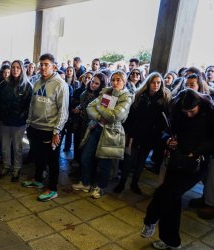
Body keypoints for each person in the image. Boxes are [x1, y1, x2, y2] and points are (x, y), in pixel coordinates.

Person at [141, 89, 214, 250]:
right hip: (177, 160)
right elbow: (166, 131)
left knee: (165, 193)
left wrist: (197, 151)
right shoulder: (178, 112)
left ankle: (150, 220)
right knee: (172, 200)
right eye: (185, 111)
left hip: (196, 165)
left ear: (199, 104)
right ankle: (171, 241)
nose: (189, 114)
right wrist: (168, 139)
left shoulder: (210, 113)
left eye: (192, 111)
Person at [72, 71, 133, 199]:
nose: (115, 82)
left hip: (111, 133)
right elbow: (89, 107)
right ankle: (85, 182)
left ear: (124, 82)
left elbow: (115, 116)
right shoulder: (106, 91)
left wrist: (99, 108)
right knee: (85, 157)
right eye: (113, 79)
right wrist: (100, 116)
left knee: (104, 164)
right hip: (96, 128)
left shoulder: (126, 97)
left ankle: (101, 187)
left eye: (119, 80)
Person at [22, 53, 69, 202]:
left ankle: (52, 189)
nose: (42, 67)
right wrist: (29, 122)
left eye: (46, 64)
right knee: (38, 156)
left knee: (52, 160)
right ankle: (37, 180)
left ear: (53, 66)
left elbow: (63, 111)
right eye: (41, 64)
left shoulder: (60, 84)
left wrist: (57, 131)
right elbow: (32, 104)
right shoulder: (37, 82)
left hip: (50, 130)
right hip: (35, 127)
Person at [114, 72, 171, 194]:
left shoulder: (163, 99)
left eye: (158, 82)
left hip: (150, 136)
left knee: (141, 161)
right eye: (153, 82)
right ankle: (122, 183)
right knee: (129, 160)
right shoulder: (139, 96)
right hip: (135, 133)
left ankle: (134, 183)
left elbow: (165, 120)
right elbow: (131, 116)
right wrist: (128, 132)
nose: (156, 85)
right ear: (148, 83)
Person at [0, 60, 33, 182]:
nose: (15, 70)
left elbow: (29, 106)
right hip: (5, 121)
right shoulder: (4, 84)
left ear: (22, 69)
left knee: (17, 147)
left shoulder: (28, 85)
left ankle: (17, 168)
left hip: (19, 122)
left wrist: (21, 116)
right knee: (5, 147)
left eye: (18, 67)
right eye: (13, 67)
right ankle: (6, 166)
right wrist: (1, 113)